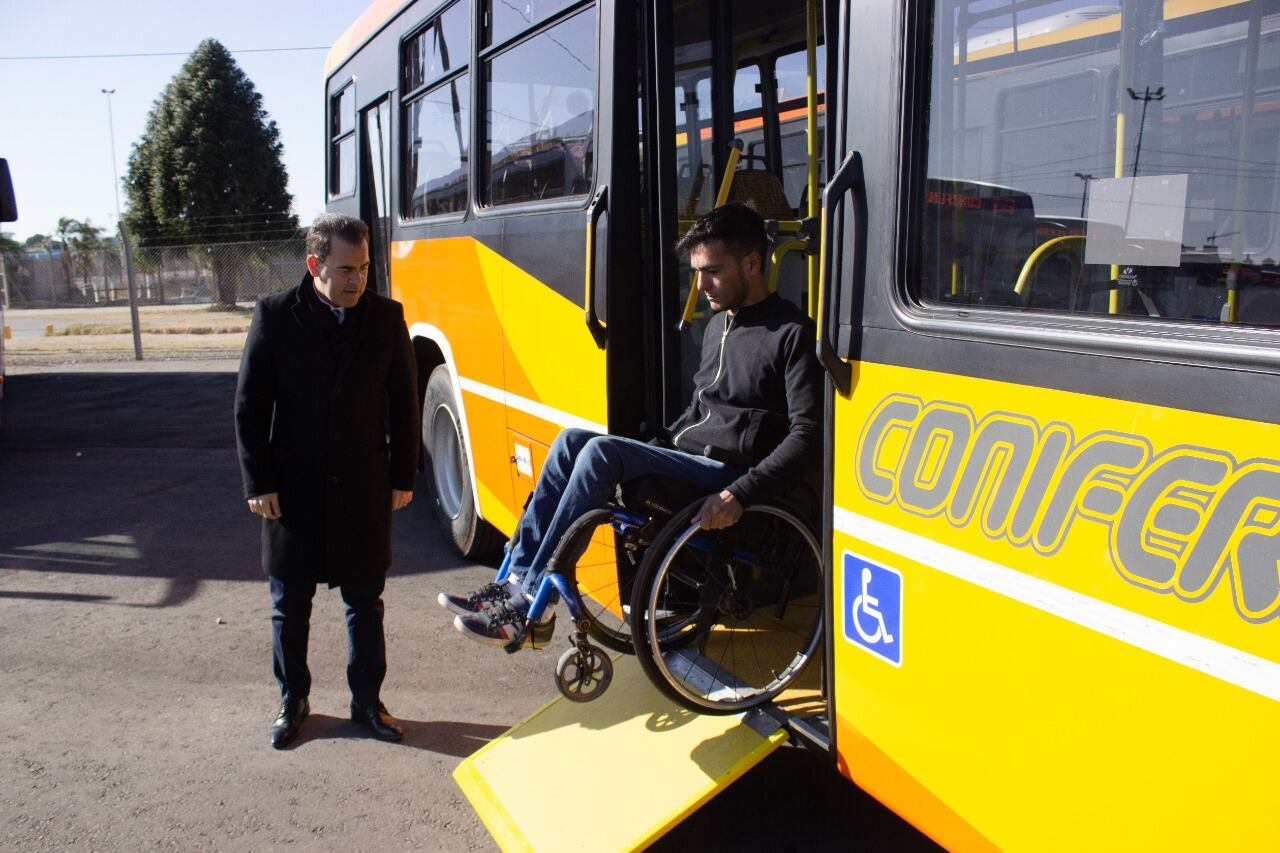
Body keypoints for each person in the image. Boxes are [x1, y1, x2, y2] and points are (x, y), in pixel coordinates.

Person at [439, 201, 823, 646]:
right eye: (697, 271)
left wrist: (741, 492)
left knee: (603, 453)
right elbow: (701, 410)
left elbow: (807, 435)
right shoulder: (719, 325)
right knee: (570, 442)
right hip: (689, 460)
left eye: (712, 271)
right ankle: (516, 578)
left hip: (730, 477)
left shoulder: (792, 333)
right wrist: (657, 443)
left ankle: (532, 602)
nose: (700, 284)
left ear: (752, 263)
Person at [235, 213, 419, 748]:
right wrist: (258, 481)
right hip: (291, 490)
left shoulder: (386, 319)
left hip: (363, 487)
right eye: (345, 269)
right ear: (315, 265)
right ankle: (293, 699)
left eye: (363, 268)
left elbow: (404, 405)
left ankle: (367, 701)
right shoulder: (274, 316)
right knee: (289, 604)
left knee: (365, 603)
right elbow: (250, 408)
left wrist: (401, 475)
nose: (357, 280)